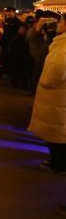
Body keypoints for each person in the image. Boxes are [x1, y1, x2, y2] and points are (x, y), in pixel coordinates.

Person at [29, 14, 66, 173]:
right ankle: (57, 162)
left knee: (57, 133)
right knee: (58, 132)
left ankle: (59, 165)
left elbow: (57, 70)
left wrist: (44, 81)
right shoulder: (61, 43)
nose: (58, 24)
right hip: (59, 96)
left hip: (57, 96)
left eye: (62, 22)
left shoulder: (63, 46)